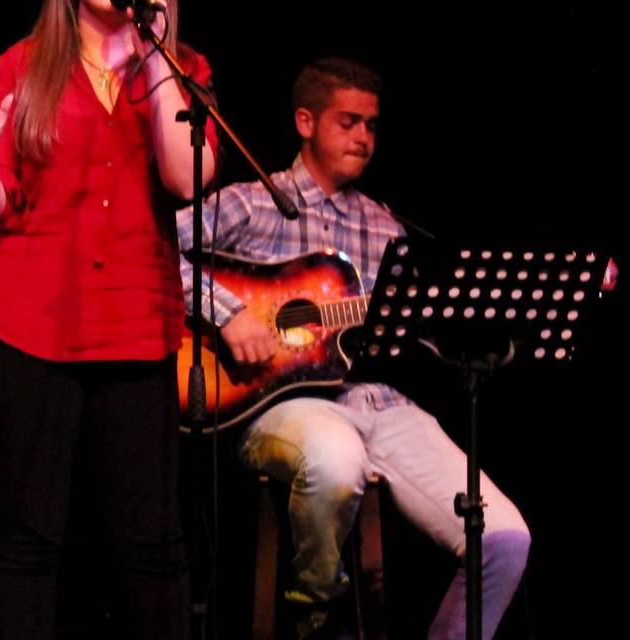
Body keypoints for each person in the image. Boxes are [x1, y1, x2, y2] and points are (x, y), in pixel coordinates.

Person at [175, 58, 529, 639]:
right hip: (281, 405)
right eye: (348, 122)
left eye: (371, 125)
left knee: (507, 539)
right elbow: (155, 254)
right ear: (305, 121)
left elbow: (426, 332)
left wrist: (485, 315)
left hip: (381, 405)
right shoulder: (250, 202)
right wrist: (230, 314)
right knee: (337, 462)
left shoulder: (385, 227)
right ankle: (316, 610)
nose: (364, 138)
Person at [0, 1, 217, 638]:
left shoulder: (182, 68)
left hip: (138, 328)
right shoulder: (25, 66)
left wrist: (159, 56)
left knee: (155, 548)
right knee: (29, 542)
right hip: (27, 324)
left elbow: (186, 178)